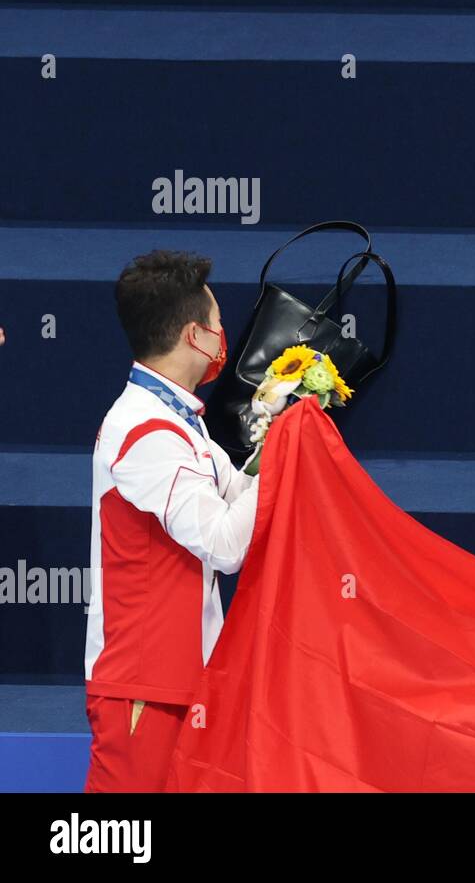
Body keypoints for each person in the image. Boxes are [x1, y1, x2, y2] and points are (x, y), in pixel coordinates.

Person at [85, 250, 260, 790]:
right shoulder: (147, 433)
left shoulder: (180, 423)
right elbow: (227, 544)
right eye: (218, 323)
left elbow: (245, 493)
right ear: (194, 335)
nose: (223, 334)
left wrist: (282, 441)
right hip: (146, 685)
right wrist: (284, 449)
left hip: (183, 678)